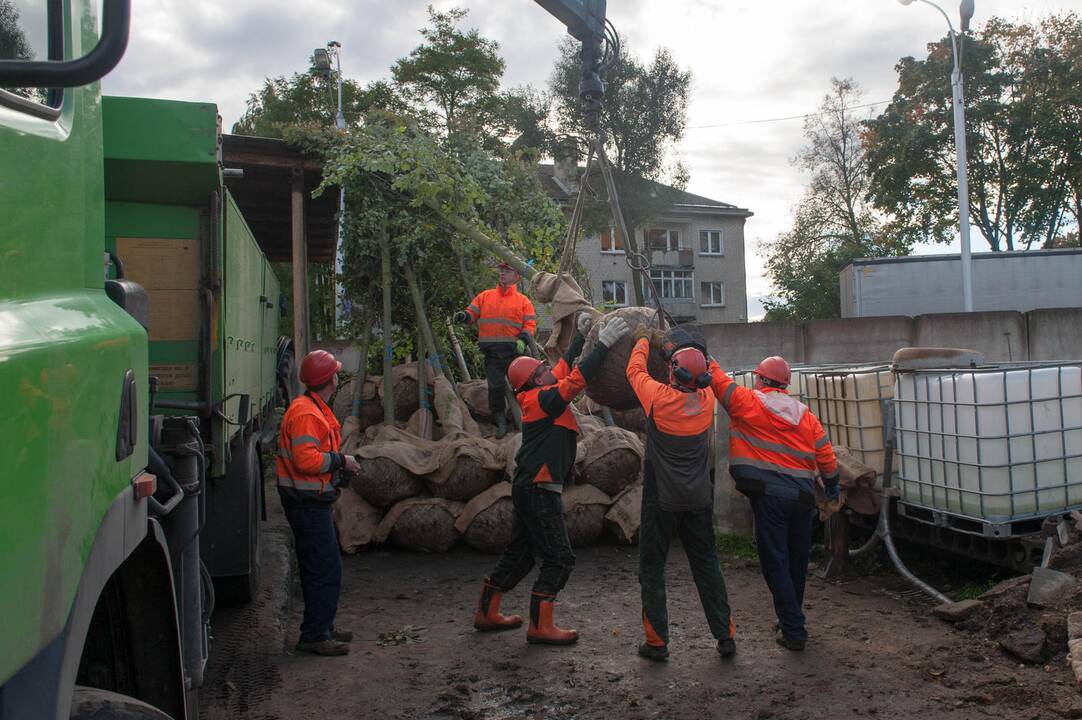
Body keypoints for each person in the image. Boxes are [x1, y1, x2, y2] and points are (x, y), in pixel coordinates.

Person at [472, 313, 630, 645]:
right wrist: (602, 345)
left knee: (522, 554)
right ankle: (540, 626)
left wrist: (578, 337)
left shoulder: (539, 392)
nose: (548, 370)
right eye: (541, 370)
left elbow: (562, 371)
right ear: (532, 382)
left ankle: (487, 611)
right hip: (540, 490)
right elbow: (574, 382)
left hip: (529, 488)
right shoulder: (543, 400)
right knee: (560, 558)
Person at [708, 355, 839, 651]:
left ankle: (794, 630)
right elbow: (826, 456)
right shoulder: (806, 415)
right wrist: (832, 487)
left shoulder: (749, 402)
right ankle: (789, 620)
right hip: (803, 499)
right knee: (795, 562)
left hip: (770, 497)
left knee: (775, 563)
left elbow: (720, 384)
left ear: (761, 379)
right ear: (785, 384)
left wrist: (709, 360)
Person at [626, 326, 736, 662]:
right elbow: (712, 370)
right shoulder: (706, 400)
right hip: (699, 500)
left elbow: (634, 371)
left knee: (652, 565)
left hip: (662, 500)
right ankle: (725, 636)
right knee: (706, 565)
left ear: (675, 371)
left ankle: (657, 642)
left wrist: (643, 339)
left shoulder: (658, 398)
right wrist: (693, 351)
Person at [276, 349, 361, 656]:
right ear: (329, 380)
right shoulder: (307, 414)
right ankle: (314, 634)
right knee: (324, 568)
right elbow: (306, 459)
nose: (338, 376)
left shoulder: (312, 407)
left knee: (322, 566)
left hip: (310, 501)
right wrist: (341, 460)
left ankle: (322, 626)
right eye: (335, 372)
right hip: (306, 505)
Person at [453, 260, 536, 439]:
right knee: (495, 388)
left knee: (522, 388)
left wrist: (523, 340)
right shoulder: (485, 296)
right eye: (501, 270)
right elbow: (471, 314)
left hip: (514, 353)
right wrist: (464, 316)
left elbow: (529, 325)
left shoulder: (523, 302)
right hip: (492, 354)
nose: (502, 273)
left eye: (507, 270)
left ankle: (527, 420)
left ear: (517, 276)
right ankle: (501, 422)